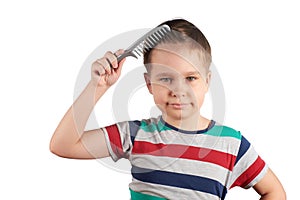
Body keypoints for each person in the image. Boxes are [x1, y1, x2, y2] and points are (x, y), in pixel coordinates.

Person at [50, 19, 286, 199]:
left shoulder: (232, 145)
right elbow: (63, 145)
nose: (178, 90)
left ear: (207, 81)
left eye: (191, 78)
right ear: (149, 84)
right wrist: (97, 87)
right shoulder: (135, 135)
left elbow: (274, 192)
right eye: (166, 79)